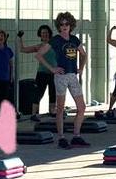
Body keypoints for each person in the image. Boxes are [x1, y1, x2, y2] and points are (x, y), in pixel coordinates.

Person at [36, 11, 89, 149]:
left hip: (72, 75)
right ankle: (61, 137)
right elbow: (39, 55)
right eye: (62, 24)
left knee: (81, 107)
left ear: (71, 25)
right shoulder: (55, 40)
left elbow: (84, 54)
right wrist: (52, 69)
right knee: (59, 108)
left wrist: (81, 68)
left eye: (67, 23)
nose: (64, 26)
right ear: (59, 26)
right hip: (61, 76)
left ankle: (76, 136)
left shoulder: (74, 40)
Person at [19, 24, 53, 122]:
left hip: (54, 73)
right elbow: (23, 49)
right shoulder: (39, 47)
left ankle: (52, 113)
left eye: (46, 33)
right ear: (40, 35)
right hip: (42, 73)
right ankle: (34, 115)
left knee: (53, 93)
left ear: (49, 34)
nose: (45, 35)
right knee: (37, 94)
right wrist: (19, 38)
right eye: (43, 33)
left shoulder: (54, 44)